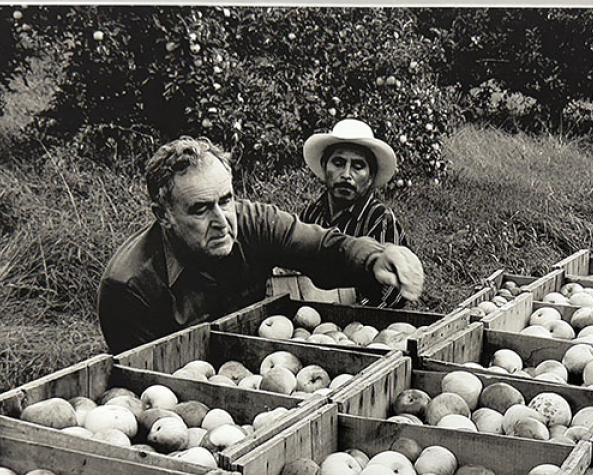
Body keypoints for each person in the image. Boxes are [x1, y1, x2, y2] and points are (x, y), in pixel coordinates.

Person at [96, 136, 425, 354]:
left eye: (226, 200)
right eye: (200, 208)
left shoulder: (253, 223)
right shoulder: (129, 287)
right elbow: (145, 380)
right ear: (163, 215)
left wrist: (375, 259)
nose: (223, 221)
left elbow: (322, 247)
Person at [299, 119, 411, 308]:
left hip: (362, 328)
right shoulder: (311, 215)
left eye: (358, 166)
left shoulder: (379, 221)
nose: (346, 174)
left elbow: (394, 295)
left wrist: (353, 314)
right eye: (338, 163)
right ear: (325, 166)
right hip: (310, 319)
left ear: (370, 177)